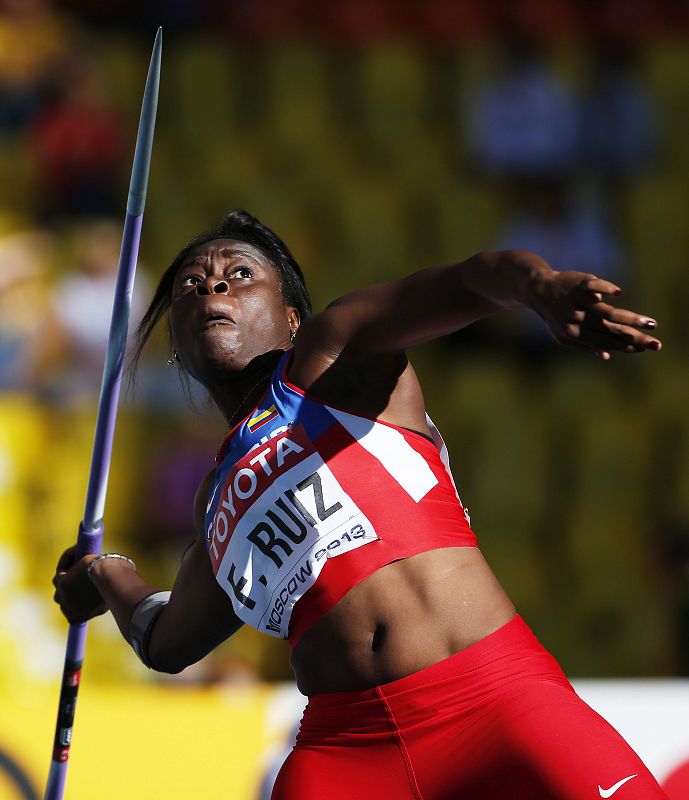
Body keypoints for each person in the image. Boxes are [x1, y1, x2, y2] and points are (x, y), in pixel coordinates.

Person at [53, 210, 668, 799]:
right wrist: (104, 573)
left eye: (240, 273)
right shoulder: (214, 505)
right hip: (345, 750)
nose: (212, 285)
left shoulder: (332, 357)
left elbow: (470, 280)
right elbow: (166, 640)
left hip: (494, 701)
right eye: (190, 284)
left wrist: (539, 287)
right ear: (176, 345)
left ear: (293, 318)